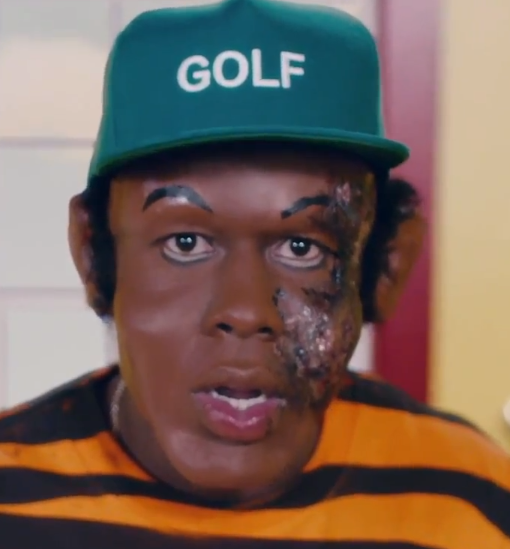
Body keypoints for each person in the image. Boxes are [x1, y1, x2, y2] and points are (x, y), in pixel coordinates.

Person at [0, 1, 508, 547]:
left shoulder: (471, 500)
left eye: (302, 247)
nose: (245, 312)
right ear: (92, 252)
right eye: (185, 243)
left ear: (383, 268)